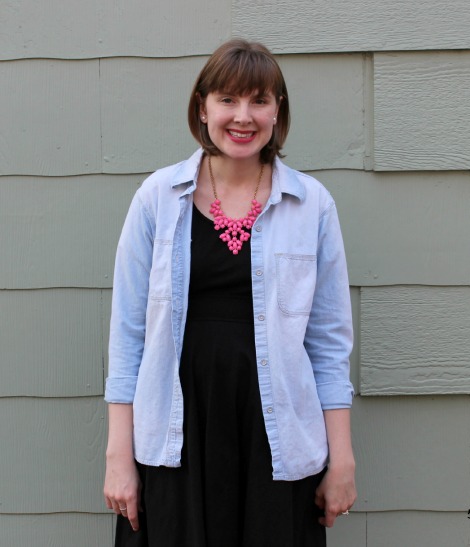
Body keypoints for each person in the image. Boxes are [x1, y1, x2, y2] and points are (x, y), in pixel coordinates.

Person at [103, 38, 356, 547]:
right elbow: (128, 334)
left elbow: (328, 345)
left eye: (259, 100)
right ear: (202, 106)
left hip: (276, 436)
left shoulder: (311, 205)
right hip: (178, 431)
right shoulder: (157, 198)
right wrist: (119, 457)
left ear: (277, 110)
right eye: (227, 100)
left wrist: (342, 458)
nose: (243, 117)